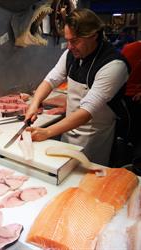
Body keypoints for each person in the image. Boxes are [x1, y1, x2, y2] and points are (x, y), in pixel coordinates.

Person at [25, 9, 130, 165]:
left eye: (74, 41)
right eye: (67, 40)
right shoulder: (71, 54)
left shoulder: (114, 65)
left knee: (89, 178)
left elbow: (87, 111)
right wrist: (34, 103)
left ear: (93, 35)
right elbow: (51, 79)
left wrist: (47, 132)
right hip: (67, 130)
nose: (69, 46)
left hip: (94, 138)